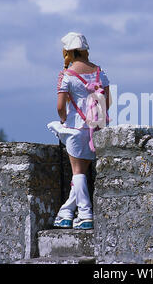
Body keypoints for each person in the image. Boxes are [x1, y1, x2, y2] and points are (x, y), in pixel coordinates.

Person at [52, 32, 110, 230]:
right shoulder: (99, 72)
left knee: (77, 172)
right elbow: (107, 103)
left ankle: (85, 214)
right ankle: (66, 213)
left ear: (68, 52)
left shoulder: (67, 76)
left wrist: (64, 120)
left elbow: (60, 107)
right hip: (95, 128)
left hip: (75, 127)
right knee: (82, 173)